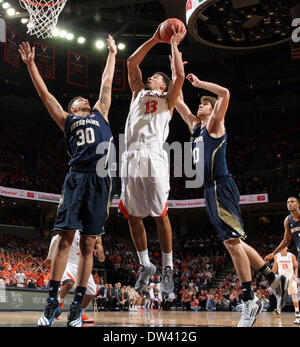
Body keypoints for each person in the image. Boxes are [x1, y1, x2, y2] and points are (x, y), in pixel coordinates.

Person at [174, 72, 290, 327]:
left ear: (213, 109)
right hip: (209, 190)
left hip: (220, 186)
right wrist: (175, 58)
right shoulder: (195, 127)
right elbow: (178, 100)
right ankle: (274, 280)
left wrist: (199, 83)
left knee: (232, 243)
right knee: (234, 242)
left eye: (205, 103)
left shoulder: (215, 124)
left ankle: (250, 300)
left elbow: (225, 93)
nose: (201, 105)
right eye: (201, 103)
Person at [19, 35, 117, 327]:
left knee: (88, 246)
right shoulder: (67, 120)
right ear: (73, 108)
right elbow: (45, 95)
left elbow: (107, 83)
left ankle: (76, 308)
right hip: (76, 179)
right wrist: (30, 65)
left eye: (85, 99)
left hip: (101, 181)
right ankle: (51, 304)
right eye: (78, 100)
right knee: (64, 241)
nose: (84, 99)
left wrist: (112, 54)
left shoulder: (101, 113)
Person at [118, 23, 186, 295]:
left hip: (154, 153)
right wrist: (154, 38)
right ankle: (145, 265)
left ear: (163, 84)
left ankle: (168, 267)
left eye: (156, 77)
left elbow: (179, 77)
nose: (150, 79)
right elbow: (132, 62)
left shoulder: (168, 99)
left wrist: (174, 45)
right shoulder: (137, 93)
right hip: (131, 153)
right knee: (132, 215)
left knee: (160, 213)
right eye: (151, 77)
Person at [44, 230, 105, 324]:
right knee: (69, 283)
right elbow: (56, 238)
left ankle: (79, 313)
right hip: (68, 262)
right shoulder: (73, 227)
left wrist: (100, 255)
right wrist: (49, 257)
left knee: (92, 292)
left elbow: (100, 247)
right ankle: (59, 304)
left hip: (83, 265)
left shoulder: (95, 230)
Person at [265, 196, 300, 324]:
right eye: (287, 202)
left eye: (292, 201)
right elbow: (286, 241)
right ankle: (292, 314)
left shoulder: (291, 256)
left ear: (298, 204)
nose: (289, 204)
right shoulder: (288, 220)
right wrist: (273, 253)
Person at [271, 247, 299, 321]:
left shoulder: (291, 256)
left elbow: (296, 267)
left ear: (287, 248)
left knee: (294, 295)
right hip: (282, 277)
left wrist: (295, 276)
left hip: (291, 277)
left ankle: (297, 312)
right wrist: (270, 275)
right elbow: (274, 268)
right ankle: (278, 311)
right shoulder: (276, 256)